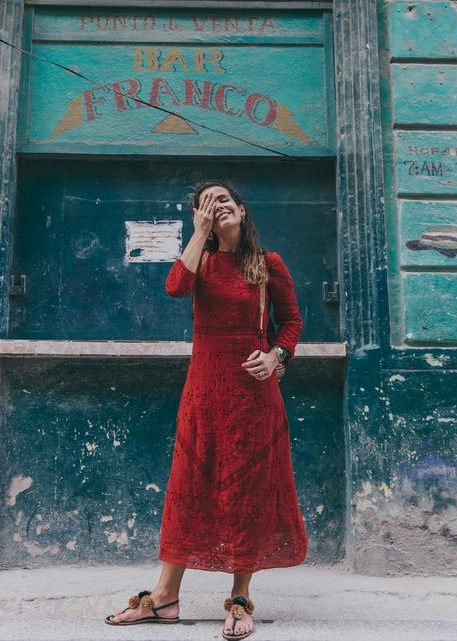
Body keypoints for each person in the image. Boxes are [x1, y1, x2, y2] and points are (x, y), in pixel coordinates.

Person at [105, 181, 308, 639]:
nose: (219, 207)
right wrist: (197, 235)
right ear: (201, 217)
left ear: (242, 208)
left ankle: (239, 599)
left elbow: (292, 321)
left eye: (225, 200)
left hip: (254, 395)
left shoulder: (267, 263)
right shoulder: (201, 260)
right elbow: (175, 287)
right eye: (207, 204)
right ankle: (164, 598)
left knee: (247, 489)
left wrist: (278, 355)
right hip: (203, 391)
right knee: (188, 484)